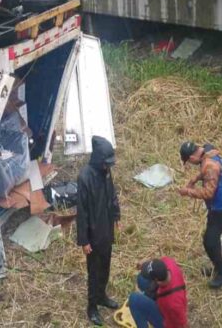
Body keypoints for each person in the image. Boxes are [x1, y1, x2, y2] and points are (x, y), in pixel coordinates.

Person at [178, 142, 222, 288]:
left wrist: (188, 192)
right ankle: (217, 268)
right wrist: (195, 179)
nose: (190, 164)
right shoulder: (208, 150)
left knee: (209, 242)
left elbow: (208, 193)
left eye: (189, 161)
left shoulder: (209, 166)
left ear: (192, 157)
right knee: (213, 239)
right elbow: (206, 169)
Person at [77, 135, 121, 326]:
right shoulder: (85, 177)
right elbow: (82, 212)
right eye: (106, 163)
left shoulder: (106, 172)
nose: (108, 166)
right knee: (93, 271)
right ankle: (92, 306)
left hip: (106, 230)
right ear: (97, 160)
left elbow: (112, 194)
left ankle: (102, 295)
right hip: (93, 233)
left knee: (105, 265)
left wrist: (116, 215)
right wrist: (84, 240)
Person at [129, 257, 188, 328]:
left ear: (157, 281)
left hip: (167, 321)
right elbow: (157, 262)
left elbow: (182, 324)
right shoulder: (169, 262)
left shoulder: (173, 304)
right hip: (162, 296)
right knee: (141, 278)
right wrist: (145, 262)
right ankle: (149, 298)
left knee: (134, 299)